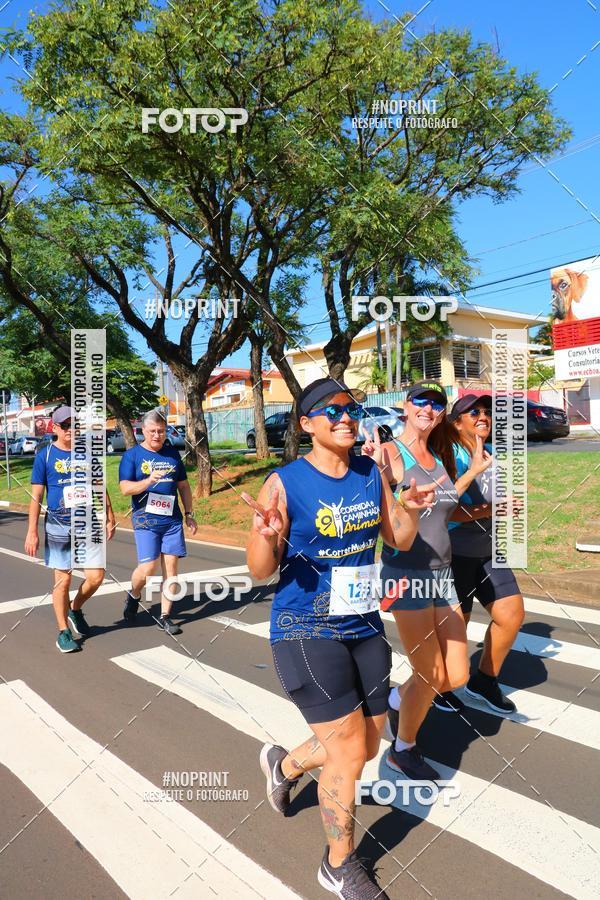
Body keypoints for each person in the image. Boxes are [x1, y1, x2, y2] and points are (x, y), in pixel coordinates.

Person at [244, 377, 435, 900]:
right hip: (305, 629)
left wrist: (409, 507)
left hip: (363, 623)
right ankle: (338, 864)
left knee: (368, 743)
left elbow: (397, 538)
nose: (345, 417)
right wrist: (266, 537)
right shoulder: (283, 483)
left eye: (350, 408)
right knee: (348, 752)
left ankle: (283, 766)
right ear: (306, 425)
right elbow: (260, 571)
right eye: (330, 411)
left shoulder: (370, 473)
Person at [369, 381, 492, 781]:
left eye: (436, 403)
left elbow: (443, 504)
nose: (428, 407)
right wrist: (378, 476)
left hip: (441, 574)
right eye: (420, 400)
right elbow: (380, 511)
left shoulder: (436, 454)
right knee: (431, 675)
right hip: (407, 577)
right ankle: (402, 750)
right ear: (405, 407)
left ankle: (393, 697)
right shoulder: (389, 454)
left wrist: (472, 471)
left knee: (454, 675)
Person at [447, 394, 525, 714]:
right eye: (473, 412)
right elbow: (447, 511)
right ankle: (439, 685)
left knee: (511, 614)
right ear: (456, 423)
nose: (483, 416)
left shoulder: (492, 453)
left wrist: (509, 504)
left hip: (489, 551)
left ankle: (483, 680)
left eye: (486, 412)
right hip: (453, 556)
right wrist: (493, 508)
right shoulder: (447, 456)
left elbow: (497, 500)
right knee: (455, 628)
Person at [25, 405, 116, 653]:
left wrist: (109, 514)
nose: (72, 430)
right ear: (55, 428)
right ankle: (63, 631)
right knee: (62, 580)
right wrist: (32, 530)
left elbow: (99, 484)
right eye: (66, 426)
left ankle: (75, 609)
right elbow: (36, 497)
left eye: (75, 425)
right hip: (58, 524)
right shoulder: (45, 456)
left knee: (96, 577)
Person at [119, 409, 197, 635]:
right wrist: (147, 481)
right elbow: (125, 489)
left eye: (161, 431)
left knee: (171, 570)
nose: (157, 436)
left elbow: (183, 486)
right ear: (143, 431)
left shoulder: (173, 455)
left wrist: (189, 514)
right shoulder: (132, 456)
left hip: (171, 520)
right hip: (145, 519)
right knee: (148, 568)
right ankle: (134, 594)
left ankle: (165, 617)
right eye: (152, 431)